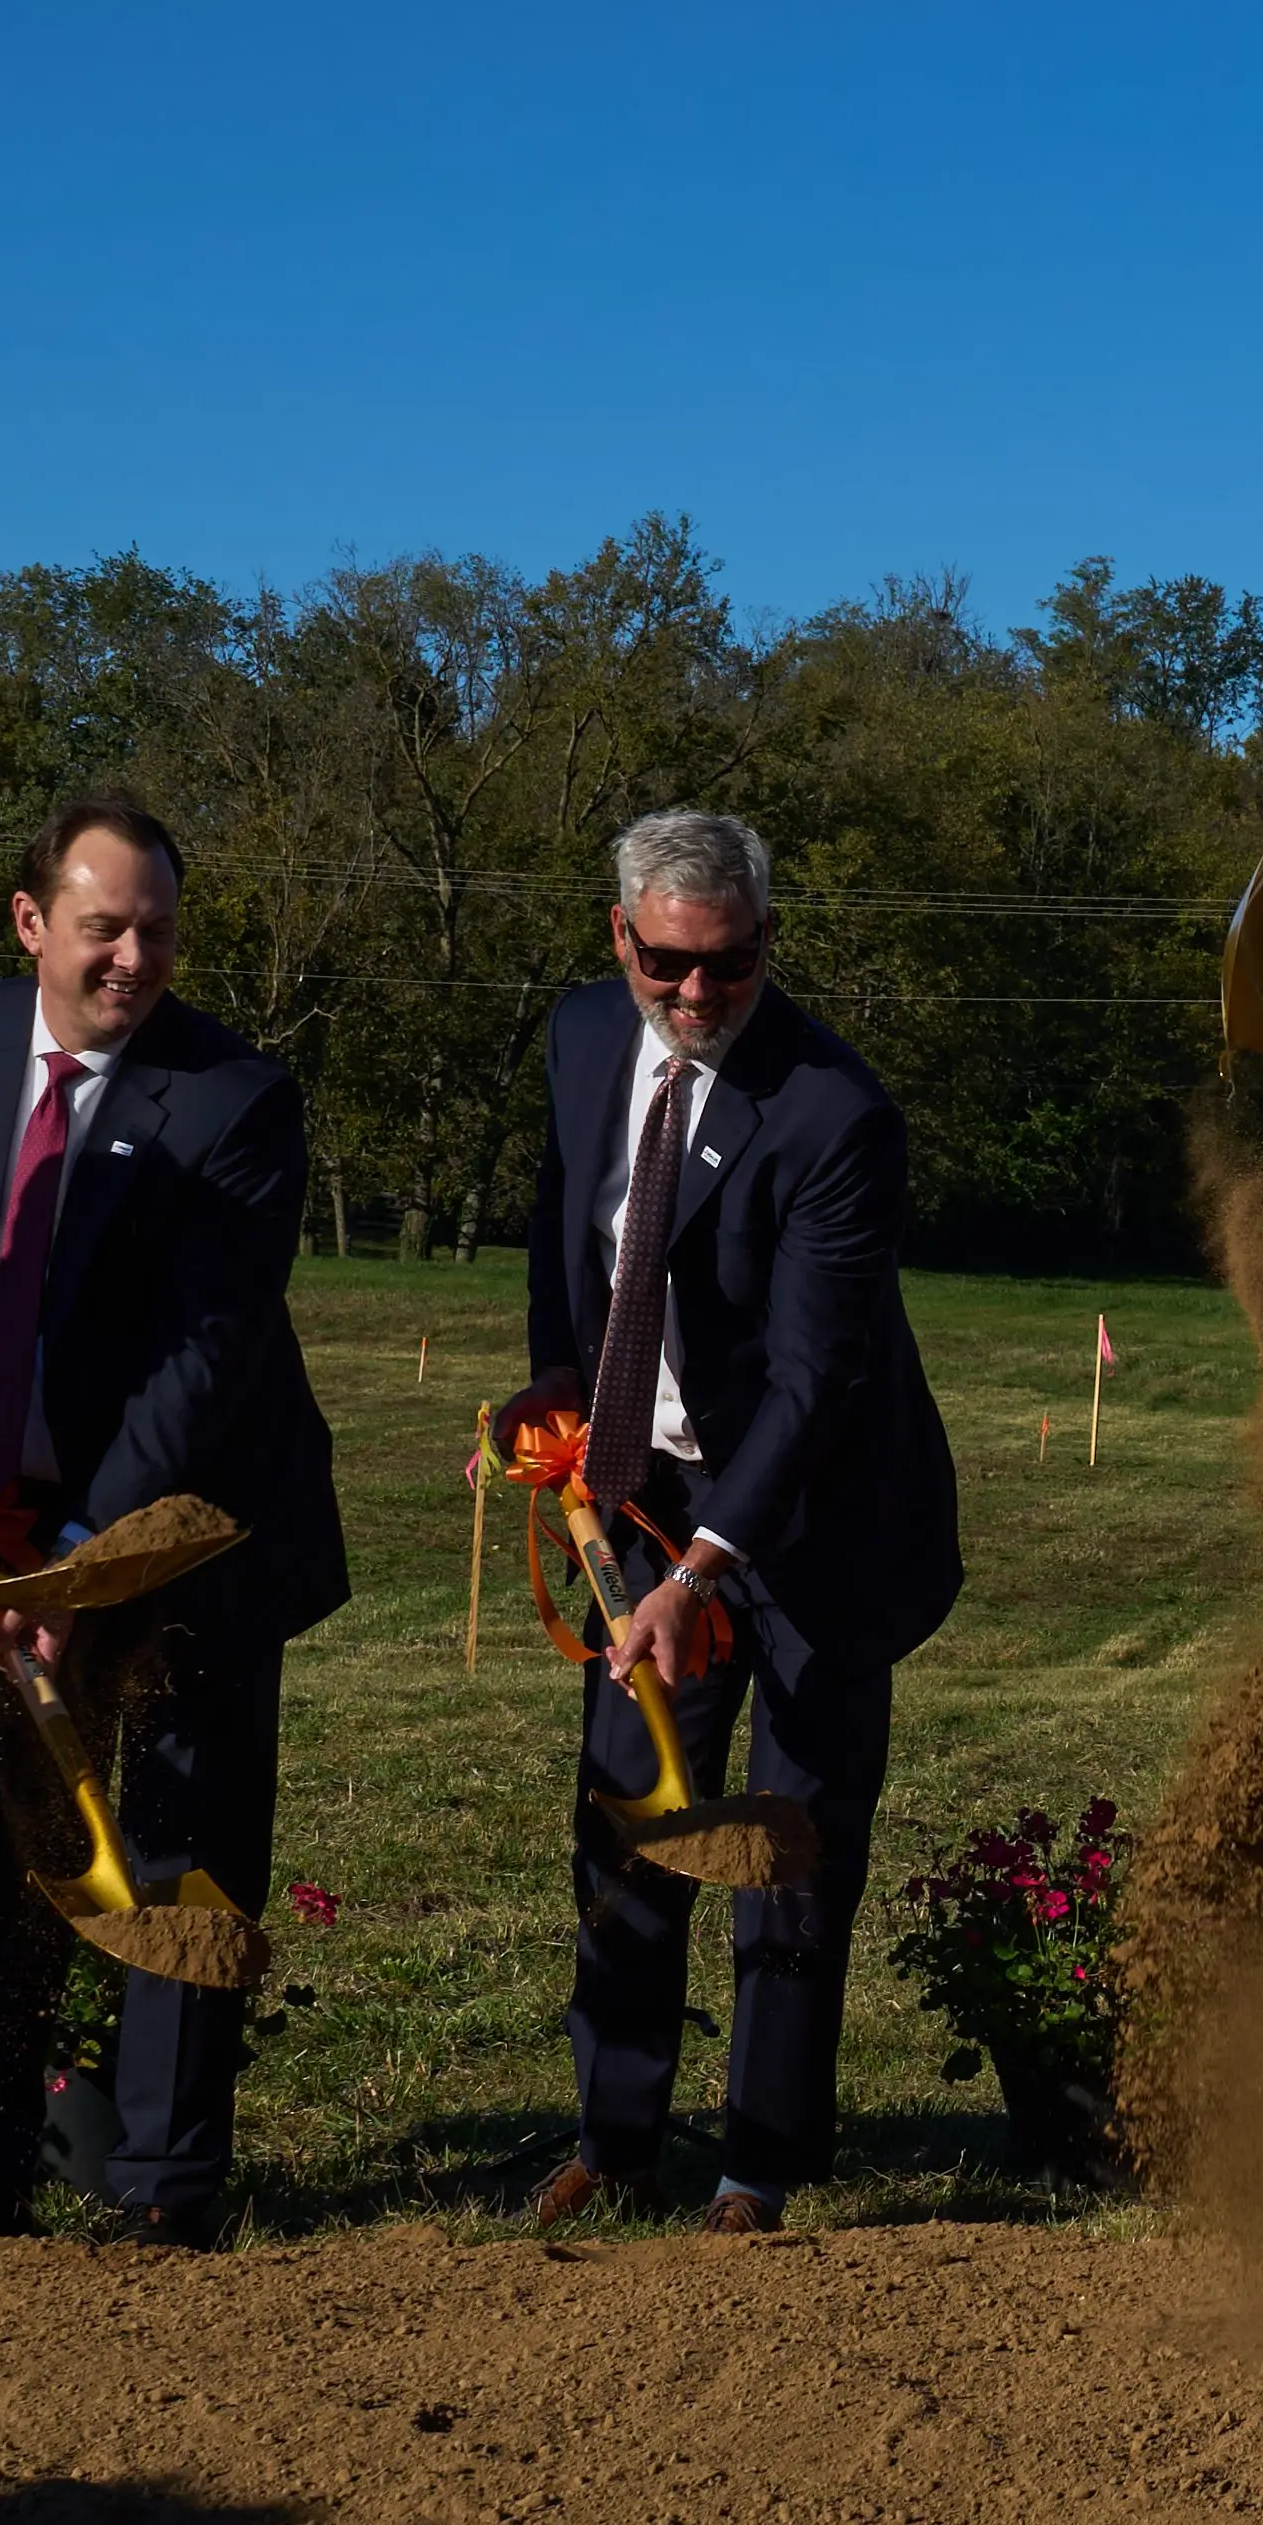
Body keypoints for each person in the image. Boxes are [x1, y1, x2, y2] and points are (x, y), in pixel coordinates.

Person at [0, 793, 352, 2249]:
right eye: (104, 928)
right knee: (4, 1846)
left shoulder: (236, 1098)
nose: (135, 956)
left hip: (188, 1524)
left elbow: (205, 1357)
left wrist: (86, 1565)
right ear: (31, 926)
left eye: (159, 930)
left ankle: (162, 2182)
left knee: (176, 1842)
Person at [506, 808, 965, 2233]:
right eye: (669, 967)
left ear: (769, 944)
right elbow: (565, 1239)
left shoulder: (835, 1112)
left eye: (733, 967)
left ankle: (760, 2161)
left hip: (821, 1516)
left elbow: (817, 1380)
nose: (699, 996)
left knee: (786, 1842)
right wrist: (552, 1406)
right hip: (645, 1488)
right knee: (633, 1812)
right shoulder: (584, 1040)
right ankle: (617, 2135)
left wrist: (706, 1570)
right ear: (620, 939)